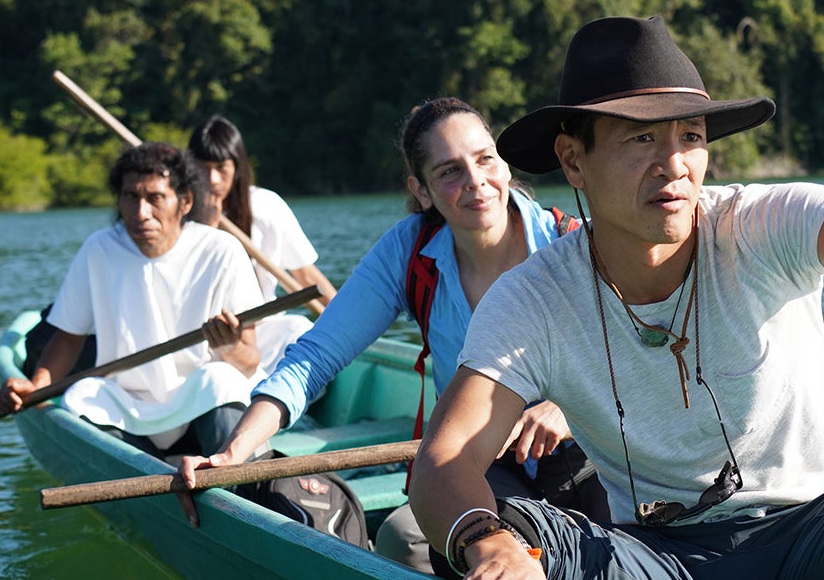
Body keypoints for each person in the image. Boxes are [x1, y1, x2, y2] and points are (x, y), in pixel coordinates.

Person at [408, 15, 824, 580]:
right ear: (574, 160)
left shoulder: (760, 226)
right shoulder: (534, 298)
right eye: (641, 137)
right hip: (658, 557)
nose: (673, 163)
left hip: (820, 534)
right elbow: (445, 460)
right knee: (508, 536)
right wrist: (484, 540)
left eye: (691, 137)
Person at [179, 97, 610, 570]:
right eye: (449, 172)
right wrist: (233, 451)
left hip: (593, 451)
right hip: (484, 463)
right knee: (407, 539)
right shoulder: (409, 253)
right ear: (421, 190)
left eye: (485, 159)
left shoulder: (574, 240)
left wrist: (565, 408)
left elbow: (646, 356)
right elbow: (315, 357)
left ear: (504, 164)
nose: (475, 182)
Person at [0, 142, 266, 460]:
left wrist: (229, 346)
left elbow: (249, 360)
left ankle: (228, 484)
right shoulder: (100, 250)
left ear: (186, 201)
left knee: (220, 379)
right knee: (83, 395)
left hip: (199, 402)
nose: (140, 213)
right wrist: (36, 386)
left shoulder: (221, 251)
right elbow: (68, 339)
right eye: (130, 197)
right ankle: (149, 481)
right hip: (127, 403)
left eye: (155, 198)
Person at [188, 115, 338, 372]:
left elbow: (305, 275)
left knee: (299, 329)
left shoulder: (266, 206)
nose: (212, 179)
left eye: (221, 168)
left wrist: (347, 323)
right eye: (203, 168)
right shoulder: (174, 213)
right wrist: (205, 226)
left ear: (237, 168)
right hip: (196, 335)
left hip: (259, 333)